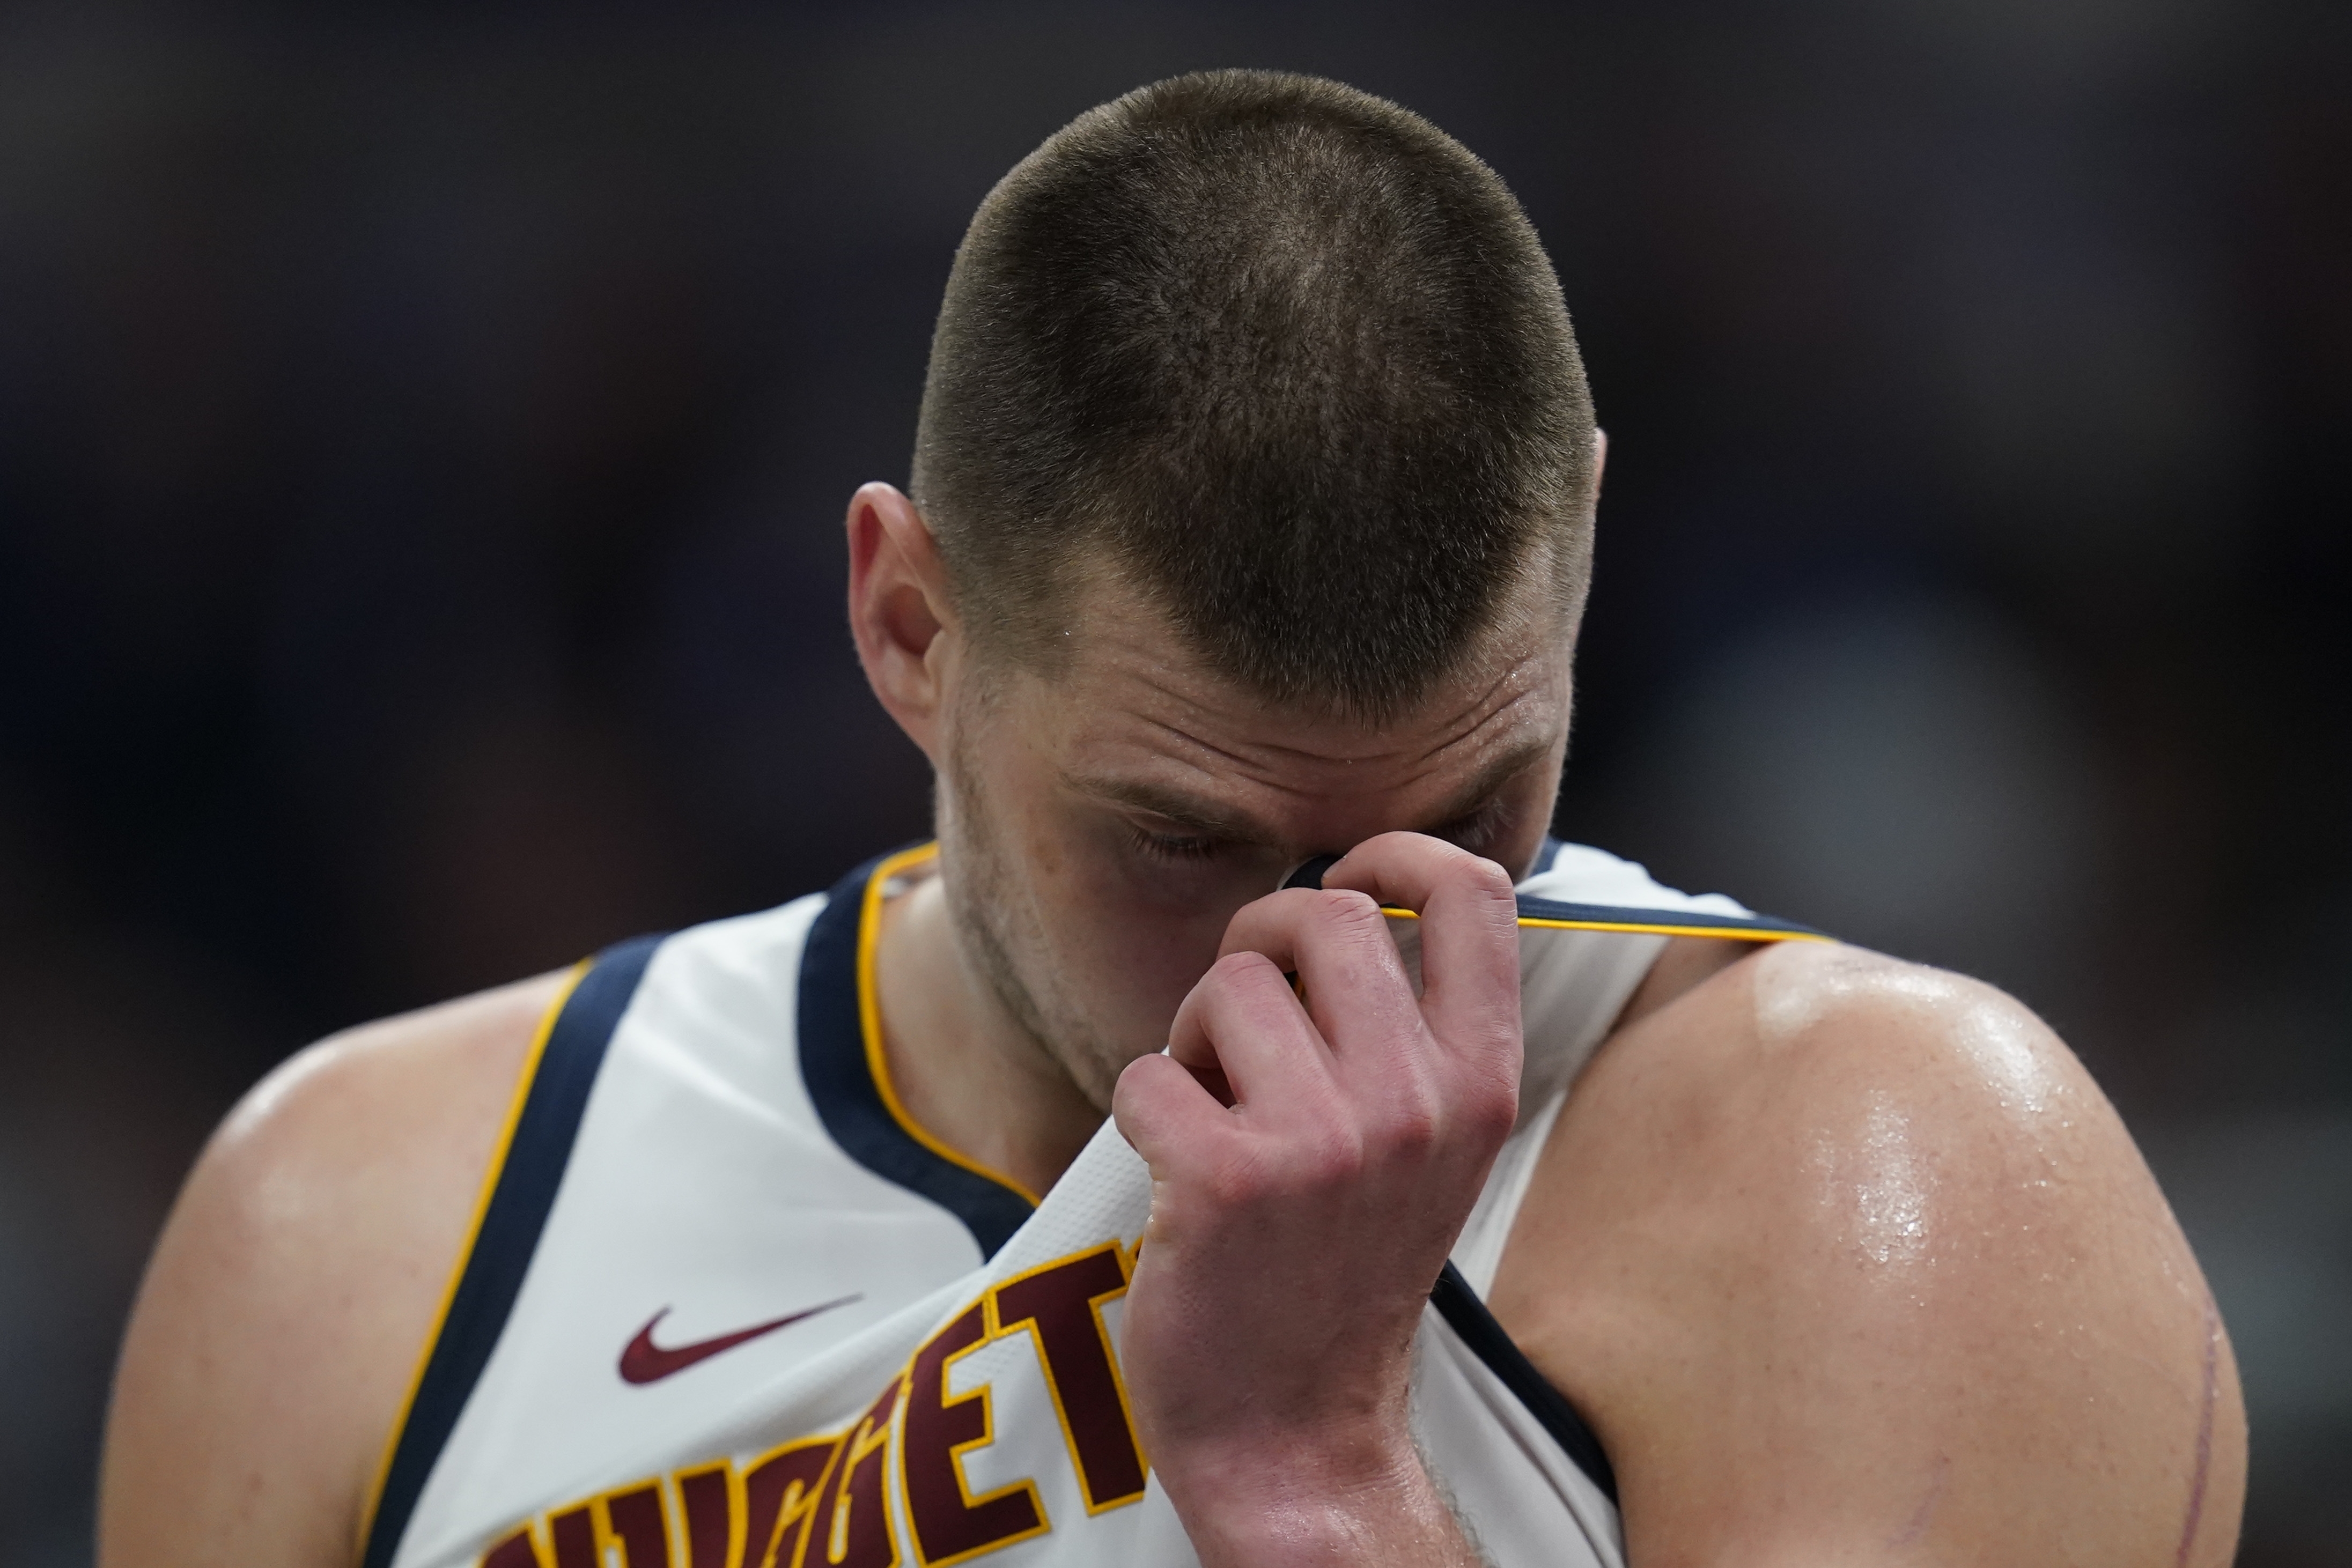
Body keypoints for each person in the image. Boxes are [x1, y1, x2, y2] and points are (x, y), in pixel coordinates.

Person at [100, 70, 2243, 1568]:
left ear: (1579, 564)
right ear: (908, 621)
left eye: (1466, 813)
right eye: (1187, 840)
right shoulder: (350, 1239)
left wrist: (1314, 1475)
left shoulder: (1890, 1177)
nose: (1333, 957)